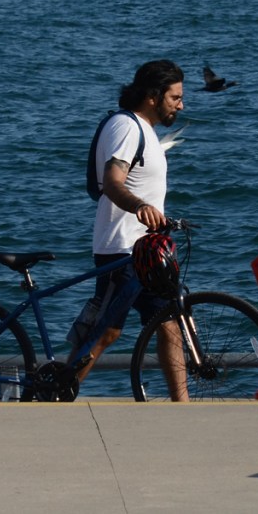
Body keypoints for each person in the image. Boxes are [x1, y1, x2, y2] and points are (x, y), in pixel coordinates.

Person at [76, 59, 189, 400]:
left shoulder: (146, 132)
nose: (181, 105)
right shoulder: (126, 128)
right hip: (122, 248)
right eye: (175, 97)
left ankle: (182, 407)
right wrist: (140, 207)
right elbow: (112, 182)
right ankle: (59, 389)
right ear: (153, 96)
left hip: (149, 251)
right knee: (106, 332)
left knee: (169, 323)